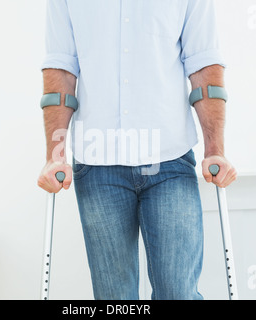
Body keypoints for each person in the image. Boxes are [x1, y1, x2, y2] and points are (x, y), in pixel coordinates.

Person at [37, 0, 237, 300]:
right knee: (114, 299)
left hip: (169, 159)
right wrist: (55, 155)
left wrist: (216, 150)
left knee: (178, 293)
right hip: (97, 165)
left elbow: (203, 64)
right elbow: (61, 70)